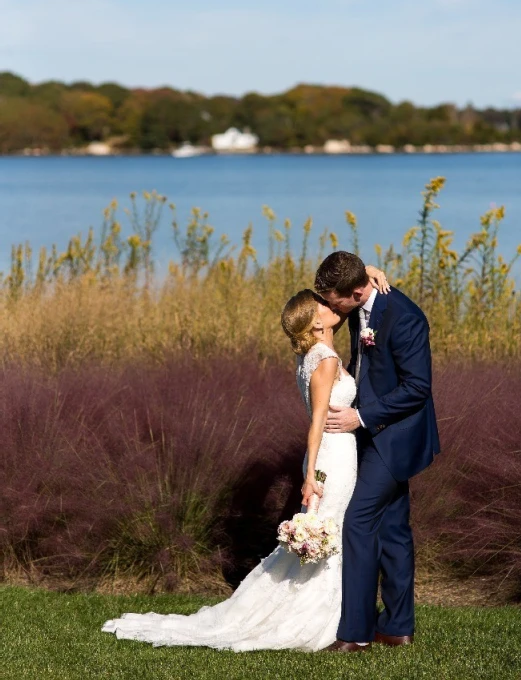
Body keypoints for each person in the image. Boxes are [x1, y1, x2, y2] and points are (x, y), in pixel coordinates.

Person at [101, 266, 389, 652]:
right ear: (316, 320)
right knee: (331, 532)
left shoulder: (311, 357)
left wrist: (367, 271)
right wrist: (310, 478)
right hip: (332, 457)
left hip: (328, 456)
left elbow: (352, 296)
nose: (331, 305)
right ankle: (323, 619)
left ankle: (339, 614)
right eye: (322, 304)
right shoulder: (326, 361)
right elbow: (317, 422)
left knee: (328, 530)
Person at [314, 251, 440, 652]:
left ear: (354, 293)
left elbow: (418, 387)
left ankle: (356, 633)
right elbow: (314, 304)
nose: (330, 309)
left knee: (358, 521)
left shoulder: (405, 318)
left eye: (335, 302)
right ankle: (398, 628)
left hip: (395, 436)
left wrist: (360, 417)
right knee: (394, 530)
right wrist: (367, 269)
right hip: (372, 431)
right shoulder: (357, 297)